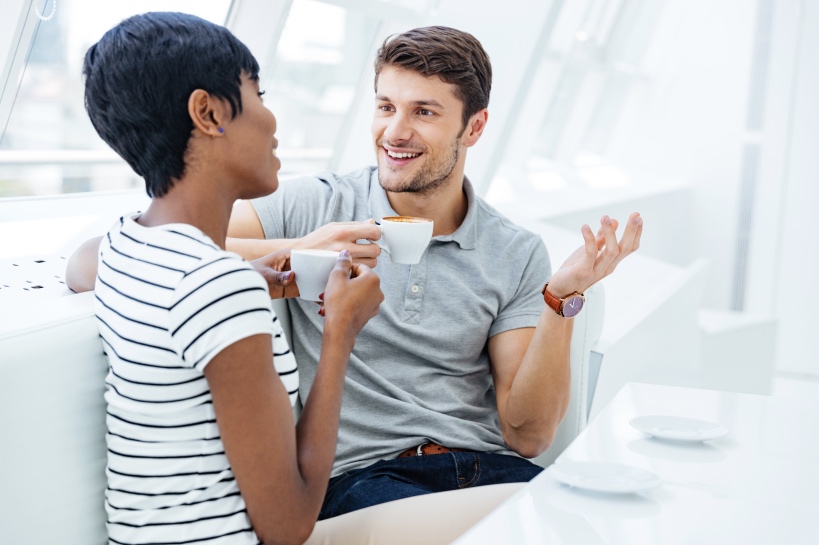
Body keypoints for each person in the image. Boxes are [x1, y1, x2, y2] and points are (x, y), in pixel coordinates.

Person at [69, 25, 642, 525]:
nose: (395, 131)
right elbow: (105, 257)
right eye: (385, 106)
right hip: (368, 483)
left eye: (424, 111)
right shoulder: (315, 205)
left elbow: (529, 435)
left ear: (474, 128)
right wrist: (304, 250)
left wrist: (561, 299)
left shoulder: (513, 250)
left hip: (488, 470)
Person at [78, 12, 382, 545]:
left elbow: (81, 262)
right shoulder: (216, 288)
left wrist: (250, 275)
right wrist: (341, 333)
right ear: (209, 112)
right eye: (258, 93)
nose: (273, 121)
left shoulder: (127, 245)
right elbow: (288, 526)